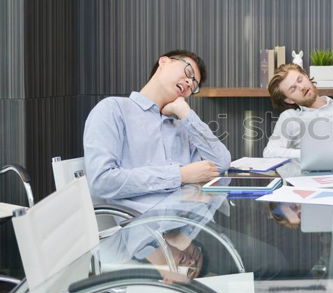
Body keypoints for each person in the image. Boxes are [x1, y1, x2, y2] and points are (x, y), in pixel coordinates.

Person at [83, 50, 231, 211]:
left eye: (194, 86)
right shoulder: (113, 109)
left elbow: (221, 163)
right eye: (188, 72)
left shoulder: (182, 125)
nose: (189, 83)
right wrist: (180, 175)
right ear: (164, 62)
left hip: (187, 223)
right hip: (143, 227)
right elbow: (102, 181)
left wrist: (185, 113)